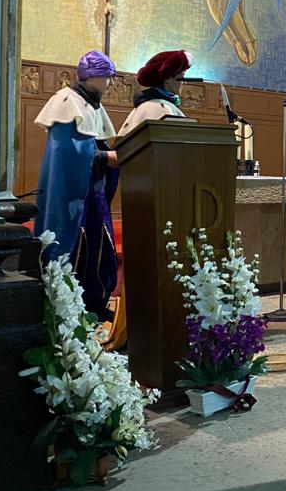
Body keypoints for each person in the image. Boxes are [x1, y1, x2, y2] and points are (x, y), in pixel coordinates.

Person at [33, 50, 119, 321]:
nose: (110, 83)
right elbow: (69, 154)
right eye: (107, 76)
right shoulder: (67, 102)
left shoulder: (91, 104)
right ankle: (67, 309)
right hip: (72, 194)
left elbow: (94, 143)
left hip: (93, 192)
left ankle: (93, 303)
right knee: (73, 247)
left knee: (98, 246)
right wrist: (105, 157)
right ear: (92, 76)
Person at [116, 50, 190, 137]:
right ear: (168, 78)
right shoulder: (161, 108)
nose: (184, 82)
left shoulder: (147, 104)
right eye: (182, 76)